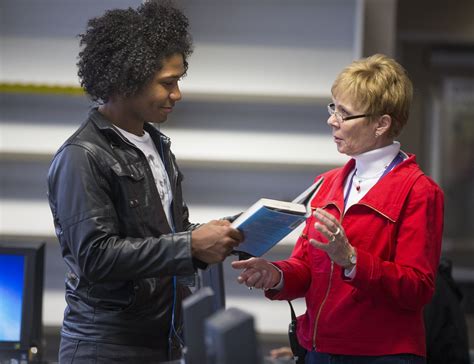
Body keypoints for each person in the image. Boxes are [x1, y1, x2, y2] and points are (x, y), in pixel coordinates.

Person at [47, 1, 243, 363]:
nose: (177, 94)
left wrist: (226, 232)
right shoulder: (81, 156)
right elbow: (95, 257)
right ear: (126, 80)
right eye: (167, 83)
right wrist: (190, 245)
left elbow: (168, 234)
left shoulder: (156, 144)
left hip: (162, 339)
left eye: (178, 81)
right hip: (105, 349)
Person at [232, 54, 444, 363]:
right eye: (333, 108)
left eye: (344, 113)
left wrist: (353, 260)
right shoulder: (328, 183)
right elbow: (307, 269)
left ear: (381, 124)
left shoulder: (419, 191)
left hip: (381, 355)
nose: (332, 120)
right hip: (319, 350)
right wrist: (276, 275)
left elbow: (418, 289)